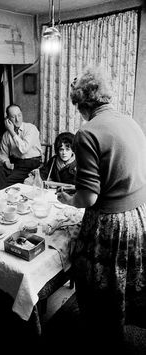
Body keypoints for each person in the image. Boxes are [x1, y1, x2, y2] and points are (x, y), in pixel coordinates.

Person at [56, 66, 146, 354]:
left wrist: (68, 200)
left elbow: (89, 198)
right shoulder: (129, 121)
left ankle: (103, 338)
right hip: (138, 213)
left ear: (82, 104)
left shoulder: (88, 132)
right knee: (126, 277)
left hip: (112, 221)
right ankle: (121, 326)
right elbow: (118, 172)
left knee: (98, 280)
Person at [0, 104, 42, 191]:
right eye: (13, 117)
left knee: (3, 182)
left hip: (33, 164)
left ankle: (5, 198)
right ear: (8, 119)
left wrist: (12, 131)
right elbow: (3, 155)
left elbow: (24, 149)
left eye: (19, 115)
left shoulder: (31, 128)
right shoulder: (6, 135)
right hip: (17, 165)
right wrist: (6, 162)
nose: (17, 119)